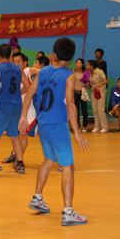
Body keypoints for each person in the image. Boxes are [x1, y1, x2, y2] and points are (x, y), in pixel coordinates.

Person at [19, 37, 91, 226]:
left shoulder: (44, 71)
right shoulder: (69, 76)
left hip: (43, 124)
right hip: (58, 125)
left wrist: (23, 117)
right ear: (71, 58)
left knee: (49, 159)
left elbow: (30, 92)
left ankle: (37, 198)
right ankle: (68, 212)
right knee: (68, 166)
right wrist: (77, 132)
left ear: (54, 55)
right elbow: (71, 106)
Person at [0, 44, 30, 176]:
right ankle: (20, 163)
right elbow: (28, 86)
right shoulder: (18, 68)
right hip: (17, 106)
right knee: (14, 135)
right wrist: (17, 94)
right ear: (11, 55)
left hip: (3, 105)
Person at [85, 60, 108, 133]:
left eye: (88, 65)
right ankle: (97, 126)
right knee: (95, 109)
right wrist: (86, 87)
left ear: (91, 66)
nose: (86, 66)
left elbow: (105, 81)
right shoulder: (89, 73)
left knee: (101, 109)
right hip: (93, 91)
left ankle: (104, 127)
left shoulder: (100, 71)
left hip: (100, 91)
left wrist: (100, 84)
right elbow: (90, 84)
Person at [72, 58, 89, 132]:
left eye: (79, 63)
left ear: (82, 65)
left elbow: (88, 84)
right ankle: (77, 126)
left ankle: (85, 126)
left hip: (83, 93)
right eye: (76, 63)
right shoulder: (72, 72)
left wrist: (86, 86)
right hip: (75, 93)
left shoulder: (85, 73)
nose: (77, 64)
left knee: (84, 110)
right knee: (76, 110)